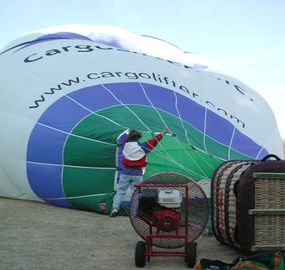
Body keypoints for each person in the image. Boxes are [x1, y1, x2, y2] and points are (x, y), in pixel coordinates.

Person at [110, 128, 170, 217]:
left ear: (128, 138)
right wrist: (163, 132)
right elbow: (154, 140)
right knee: (136, 194)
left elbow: (120, 139)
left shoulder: (124, 145)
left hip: (125, 173)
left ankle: (115, 208)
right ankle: (134, 213)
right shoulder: (143, 148)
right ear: (138, 137)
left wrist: (126, 132)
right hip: (137, 174)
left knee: (120, 192)